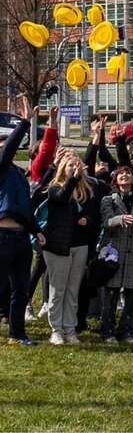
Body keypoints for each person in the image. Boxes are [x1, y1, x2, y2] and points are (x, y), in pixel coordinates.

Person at [0, 99, 46, 345]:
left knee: (21, 290)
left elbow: (24, 208)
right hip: (2, 237)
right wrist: (26, 122)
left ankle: (17, 333)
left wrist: (36, 230)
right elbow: (9, 150)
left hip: (20, 239)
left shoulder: (18, 176)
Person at [42, 149, 96, 345]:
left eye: (76, 165)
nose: (74, 168)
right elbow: (62, 197)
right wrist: (72, 179)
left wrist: (87, 221)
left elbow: (93, 217)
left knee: (73, 290)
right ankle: (56, 330)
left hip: (79, 245)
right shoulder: (55, 188)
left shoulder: (86, 190)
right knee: (58, 289)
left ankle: (70, 329)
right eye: (70, 165)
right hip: (58, 246)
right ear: (63, 169)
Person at [98, 165, 133, 343]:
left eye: (127, 173)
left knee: (132, 293)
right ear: (115, 180)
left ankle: (126, 329)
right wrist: (120, 219)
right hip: (114, 250)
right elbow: (106, 221)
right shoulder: (108, 199)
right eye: (120, 174)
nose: (125, 176)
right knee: (110, 293)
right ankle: (107, 330)